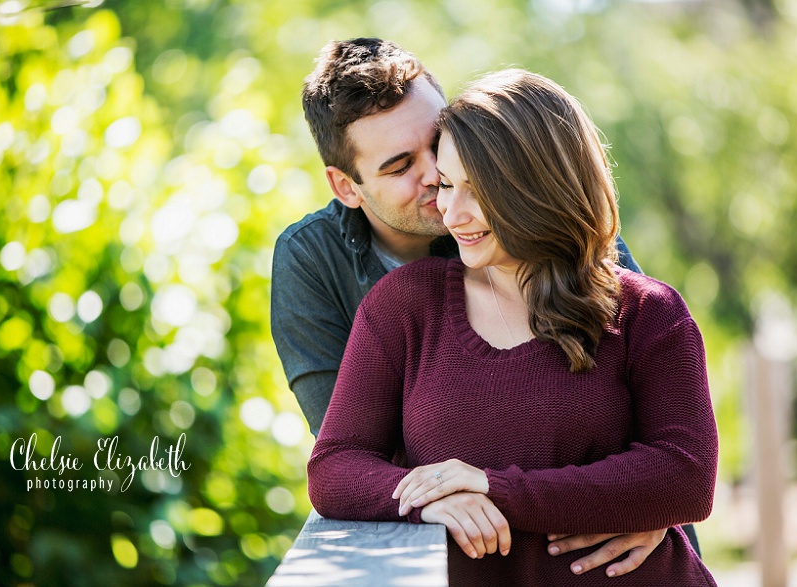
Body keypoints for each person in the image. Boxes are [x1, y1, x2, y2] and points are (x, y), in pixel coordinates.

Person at [271, 37, 689, 578]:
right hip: (467, 552)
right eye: (400, 166)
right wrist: (426, 493)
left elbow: (653, 421)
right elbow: (350, 454)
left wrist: (639, 500)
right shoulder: (317, 262)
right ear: (347, 187)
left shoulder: (549, 231)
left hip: (615, 554)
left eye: (439, 142)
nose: (435, 181)